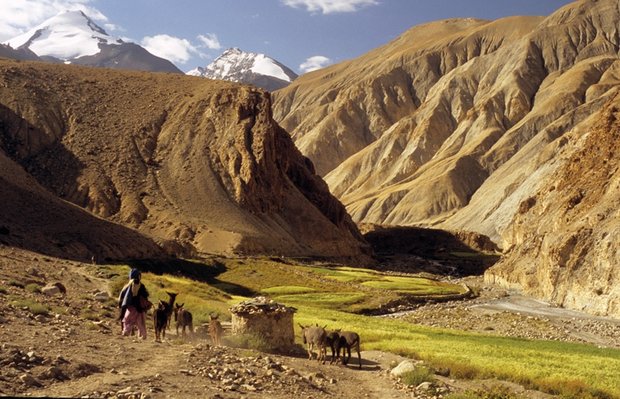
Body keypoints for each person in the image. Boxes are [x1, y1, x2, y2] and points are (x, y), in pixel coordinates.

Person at [118, 268, 150, 339]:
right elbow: (146, 295)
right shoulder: (141, 285)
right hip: (140, 308)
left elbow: (123, 297)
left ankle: (126, 332)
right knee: (140, 322)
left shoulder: (129, 284)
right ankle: (143, 335)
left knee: (127, 320)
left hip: (132, 307)